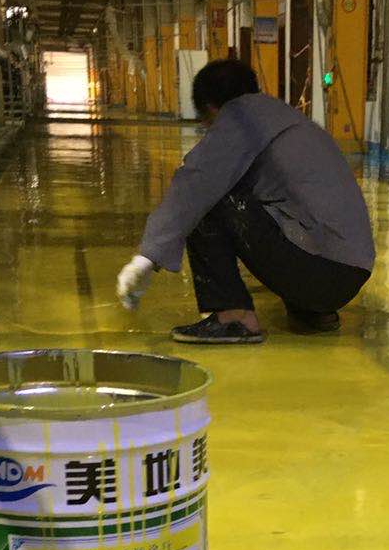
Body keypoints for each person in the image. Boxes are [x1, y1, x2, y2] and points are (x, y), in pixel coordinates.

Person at [117, 59, 375, 344]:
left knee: (212, 200)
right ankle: (314, 311)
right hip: (349, 274)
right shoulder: (285, 118)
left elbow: (195, 183)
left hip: (321, 272)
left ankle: (234, 318)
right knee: (272, 205)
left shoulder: (241, 118)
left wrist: (147, 257)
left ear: (211, 108)